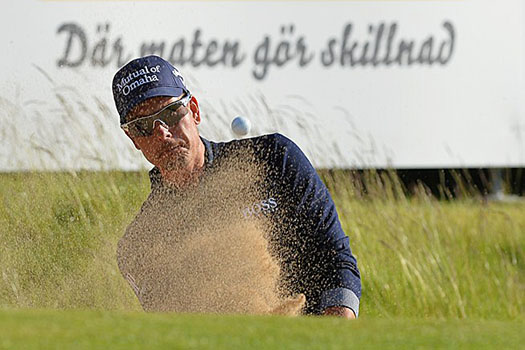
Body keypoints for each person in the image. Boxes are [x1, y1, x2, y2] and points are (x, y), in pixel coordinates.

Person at [112, 55, 361, 319]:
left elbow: (335, 259)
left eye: (171, 113)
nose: (161, 133)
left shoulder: (274, 159)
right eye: (142, 126)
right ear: (133, 139)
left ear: (194, 110)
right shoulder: (140, 245)